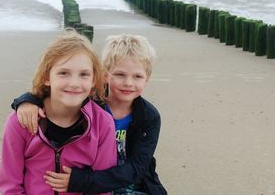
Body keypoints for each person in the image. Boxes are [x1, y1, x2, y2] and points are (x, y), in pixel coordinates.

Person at [12, 34, 167, 195]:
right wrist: (26, 101)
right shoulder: (89, 103)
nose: (128, 82)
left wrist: (82, 181)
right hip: (90, 182)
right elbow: (59, 95)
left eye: (138, 76)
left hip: (128, 183)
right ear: (105, 74)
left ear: (146, 79)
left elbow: (137, 167)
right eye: (120, 74)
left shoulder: (149, 117)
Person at [0, 31, 117, 195]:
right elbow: (10, 186)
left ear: (93, 80)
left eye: (84, 74)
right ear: (47, 77)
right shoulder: (20, 122)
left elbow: (102, 186)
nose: (74, 83)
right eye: (63, 73)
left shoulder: (103, 123)